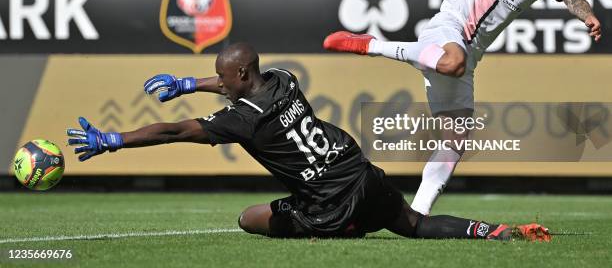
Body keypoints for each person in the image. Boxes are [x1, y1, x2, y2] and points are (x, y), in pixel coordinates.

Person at [67, 42, 550, 241]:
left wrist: (114, 140)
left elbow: (174, 131)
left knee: (248, 220)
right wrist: (189, 83)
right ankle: (492, 232)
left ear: (238, 74)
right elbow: (231, 84)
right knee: (410, 223)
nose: (217, 79)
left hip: (330, 198)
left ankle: (344, 227)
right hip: (356, 166)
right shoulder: (281, 78)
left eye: (220, 75)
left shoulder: (242, 121)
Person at [324, 0, 602, 217]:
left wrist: (586, 15)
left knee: (456, 138)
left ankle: (417, 216)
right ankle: (375, 46)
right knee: (452, 61)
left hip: (471, 54)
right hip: (448, 27)